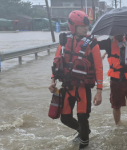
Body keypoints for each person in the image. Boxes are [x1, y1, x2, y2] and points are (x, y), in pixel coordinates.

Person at [48, 10, 103, 149]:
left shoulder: (92, 44)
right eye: (82, 26)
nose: (86, 28)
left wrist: (99, 91)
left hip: (83, 88)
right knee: (65, 118)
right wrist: (53, 81)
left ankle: (84, 144)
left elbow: (98, 68)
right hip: (67, 86)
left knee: (83, 118)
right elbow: (56, 62)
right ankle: (83, 132)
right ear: (73, 26)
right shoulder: (64, 41)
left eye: (87, 25)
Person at [98, 34, 127, 125]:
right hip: (116, 80)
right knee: (116, 106)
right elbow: (95, 45)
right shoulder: (108, 42)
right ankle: (118, 126)